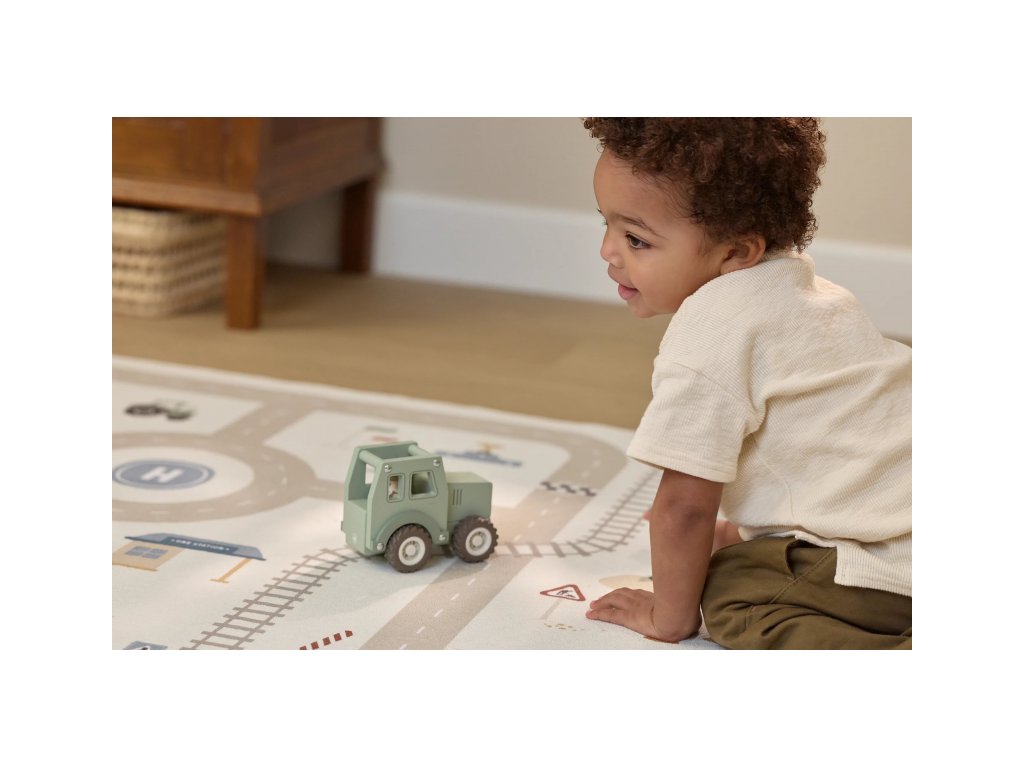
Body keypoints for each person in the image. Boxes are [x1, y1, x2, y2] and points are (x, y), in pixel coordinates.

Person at [582, 118, 911, 649]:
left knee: (729, 593)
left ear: (736, 253)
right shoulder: (815, 294)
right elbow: (824, 454)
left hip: (881, 570)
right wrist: (744, 530)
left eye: (636, 239)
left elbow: (684, 508)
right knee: (741, 556)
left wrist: (669, 617)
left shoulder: (710, 334)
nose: (608, 252)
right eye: (608, 226)